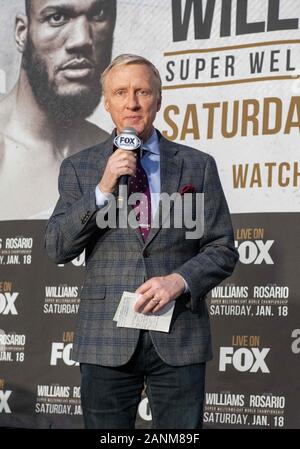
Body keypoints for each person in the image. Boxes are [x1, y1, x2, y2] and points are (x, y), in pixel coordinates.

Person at [45, 54, 239, 429]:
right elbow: (57, 246)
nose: (132, 102)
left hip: (179, 335)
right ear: (106, 102)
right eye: (120, 92)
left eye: (142, 91)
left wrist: (177, 281)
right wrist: (102, 190)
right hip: (106, 337)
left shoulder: (197, 165)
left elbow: (221, 248)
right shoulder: (80, 168)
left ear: (158, 99)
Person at [0, 0, 116, 220]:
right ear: (22, 33)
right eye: (57, 17)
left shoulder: (112, 153)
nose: (82, 39)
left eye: (98, 14)